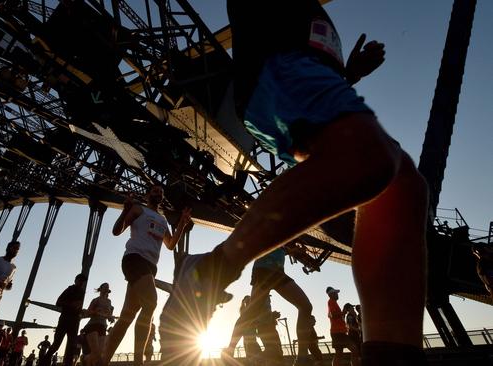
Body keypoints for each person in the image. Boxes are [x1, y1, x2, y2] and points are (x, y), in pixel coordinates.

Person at [159, 1, 429, 365]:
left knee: (401, 187)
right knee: (366, 155)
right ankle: (210, 270)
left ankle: (391, 354)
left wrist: (348, 72)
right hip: (279, 69)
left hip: (316, 77)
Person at [104, 184, 191, 365]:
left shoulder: (162, 220)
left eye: (161, 192)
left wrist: (182, 223)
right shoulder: (138, 209)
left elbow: (171, 244)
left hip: (150, 266)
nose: (158, 193)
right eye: (155, 191)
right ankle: (138, 361)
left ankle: (101, 359)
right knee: (151, 302)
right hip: (134, 259)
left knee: (127, 315)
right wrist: (125, 210)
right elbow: (116, 231)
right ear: (147, 194)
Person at [245, 247, 314, 365]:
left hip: (278, 271)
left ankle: (302, 358)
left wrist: (293, 251)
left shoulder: (284, 239)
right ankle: (232, 351)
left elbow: (283, 248)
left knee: (306, 307)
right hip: (265, 269)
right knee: (251, 314)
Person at [39, 274, 87, 366]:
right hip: (65, 319)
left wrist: (81, 311)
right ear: (76, 280)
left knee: (72, 346)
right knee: (56, 345)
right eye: (80, 280)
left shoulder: (81, 292)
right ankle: (43, 363)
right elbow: (58, 302)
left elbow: (77, 307)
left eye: (83, 281)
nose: (81, 283)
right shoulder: (69, 289)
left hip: (74, 321)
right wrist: (71, 304)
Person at [83, 283, 115, 366]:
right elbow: (87, 313)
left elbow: (109, 315)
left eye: (108, 287)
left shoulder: (109, 302)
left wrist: (111, 318)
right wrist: (95, 312)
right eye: (105, 287)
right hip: (92, 325)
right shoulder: (95, 300)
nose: (107, 288)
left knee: (99, 354)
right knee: (96, 352)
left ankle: (86, 359)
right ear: (100, 289)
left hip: (103, 326)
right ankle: (86, 359)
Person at [222, 295, 262, 362]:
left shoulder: (249, 317)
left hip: (250, 343)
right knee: (256, 360)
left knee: (255, 360)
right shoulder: (245, 318)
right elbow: (236, 334)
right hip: (250, 344)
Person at [327, 288, 360, 366]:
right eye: (335, 293)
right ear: (331, 294)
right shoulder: (331, 302)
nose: (337, 294)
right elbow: (333, 315)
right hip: (338, 332)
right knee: (354, 350)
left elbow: (333, 315)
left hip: (337, 332)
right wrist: (343, 313)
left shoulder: (333, 303)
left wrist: (342, 313)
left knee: (339, 354)